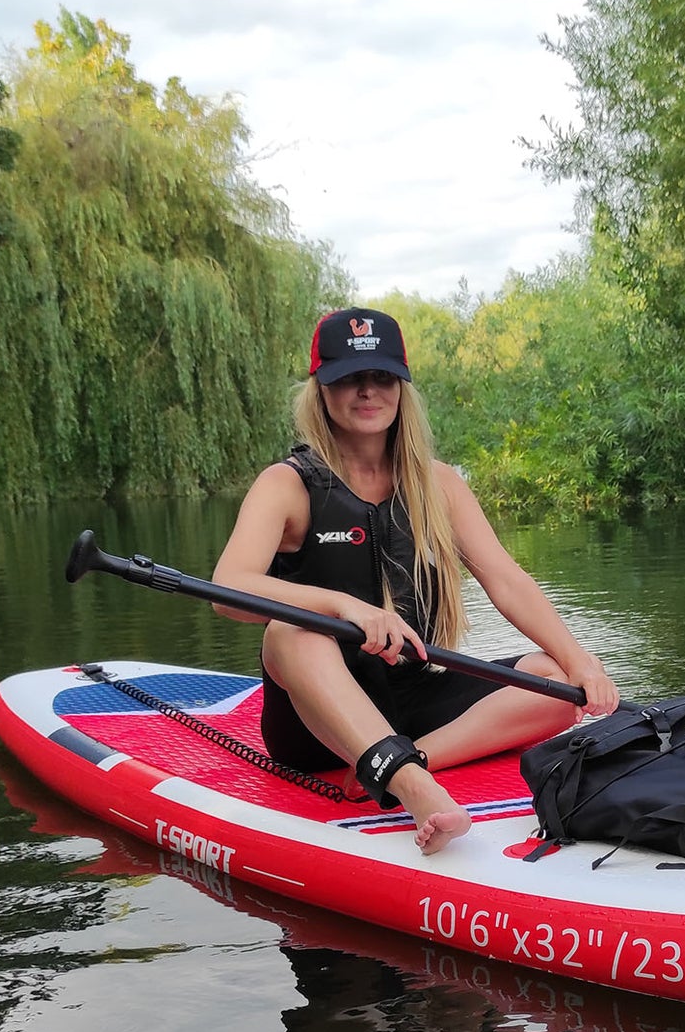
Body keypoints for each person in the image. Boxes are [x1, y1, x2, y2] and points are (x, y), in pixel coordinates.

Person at [212, 307, 619, 854]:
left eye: (381, 376)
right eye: (349, 378)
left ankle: (411, 754)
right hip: (316, 721)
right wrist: (341, 606)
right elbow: (230, 589)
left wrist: (582, 662)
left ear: (401, 386)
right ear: (321, 389)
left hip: (413, 693)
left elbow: (506, 579)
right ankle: (409, 782)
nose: (366, 391)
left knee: (554, 682)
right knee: (288, 632)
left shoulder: (439, 484)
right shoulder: (287, 485)